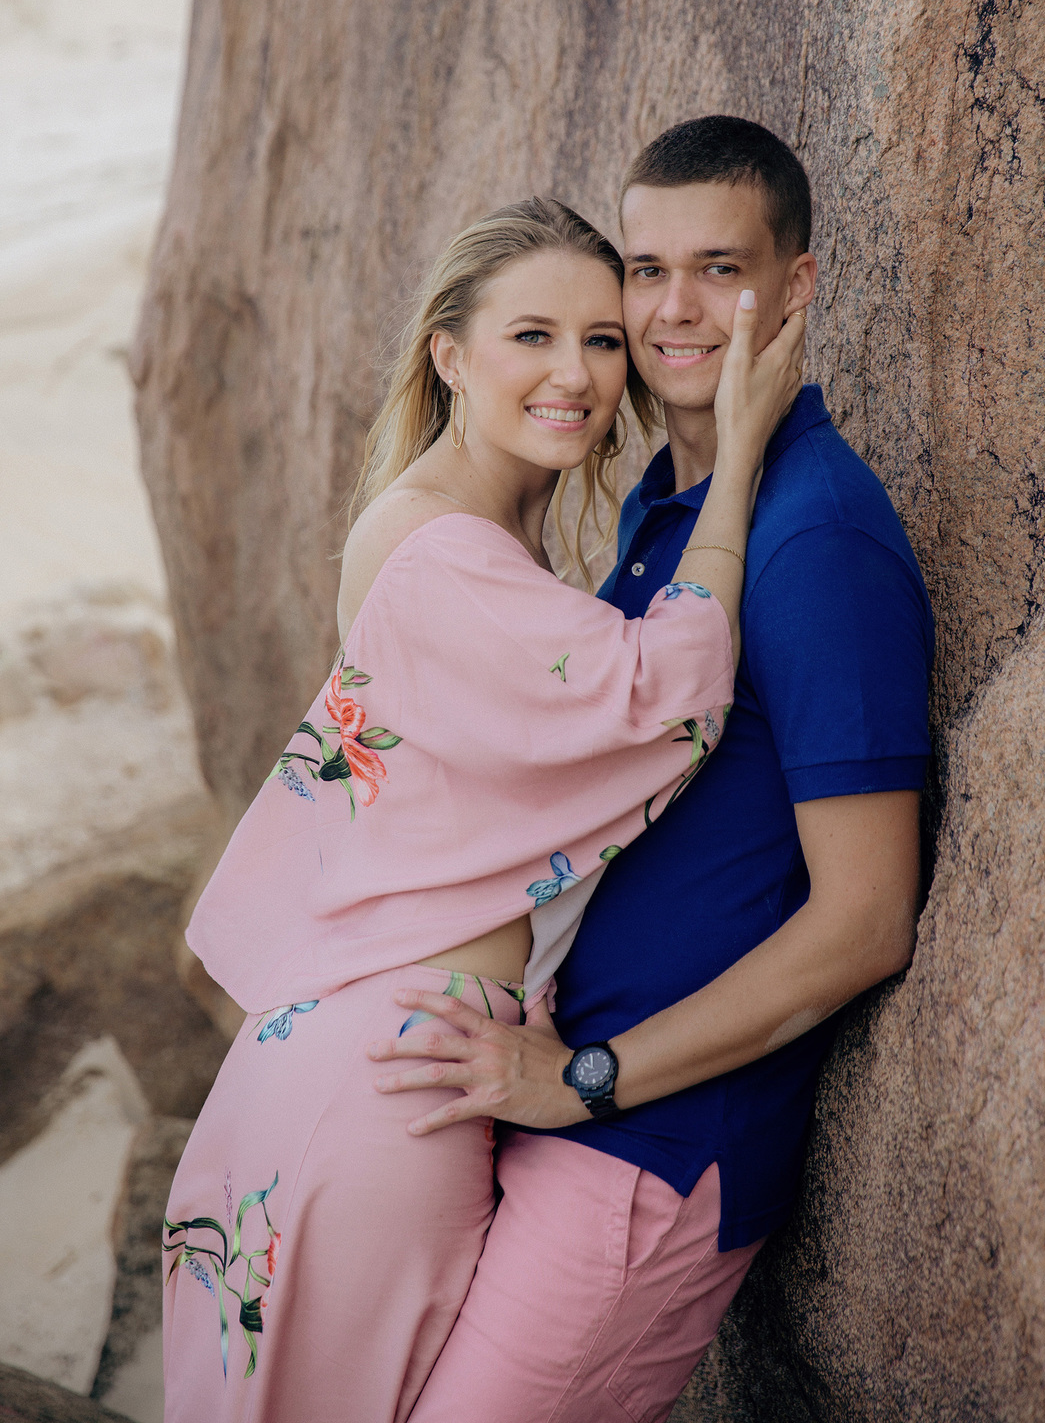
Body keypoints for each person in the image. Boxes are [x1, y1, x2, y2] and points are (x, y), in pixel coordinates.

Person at [160, 196, 805, 1423]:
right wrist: (738, 462)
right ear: (450, 355)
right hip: (388, 1086)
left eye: (601, 340)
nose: (576, 374)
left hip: (383, 1062)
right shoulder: (441, 553)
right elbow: (667, 693)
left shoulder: (472, 537)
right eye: (533, 337)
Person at [370, 118, 936, 1423]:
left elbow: (867, 920)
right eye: (646, 270)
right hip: (554, 1113)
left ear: (794, 286)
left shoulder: (816, 541)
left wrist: (585, 1079)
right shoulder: (660, 510)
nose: (674, 309)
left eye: (720, 269)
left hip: (651, 1153)